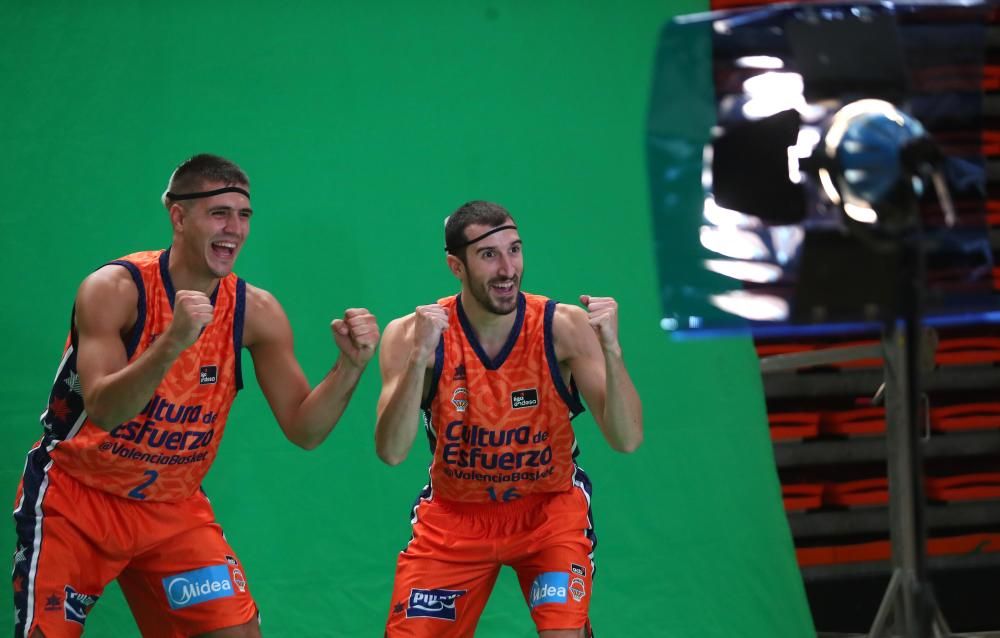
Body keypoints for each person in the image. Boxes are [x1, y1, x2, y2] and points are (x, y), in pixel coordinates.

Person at [12, 154, 379, 638]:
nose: (235, 228)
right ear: (178, 216)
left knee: (236, 635)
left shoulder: (256, 311)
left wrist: (349, 366)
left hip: (171, 505)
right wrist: (171, 343)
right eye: (219, 212)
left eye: (244, 215)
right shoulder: (114, 289)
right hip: (78, 498)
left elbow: (305, 428)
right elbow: (104, 409)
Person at [375, 200, 643, 637]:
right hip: (455, 517)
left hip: (548, 512)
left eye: (514, 250)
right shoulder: (411, 335)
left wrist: (614, 351)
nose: (507, 269)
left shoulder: (563, 328)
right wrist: (419, 359)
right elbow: (391, 451)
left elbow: (627, 439)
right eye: (488, 255)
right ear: (455, 266)